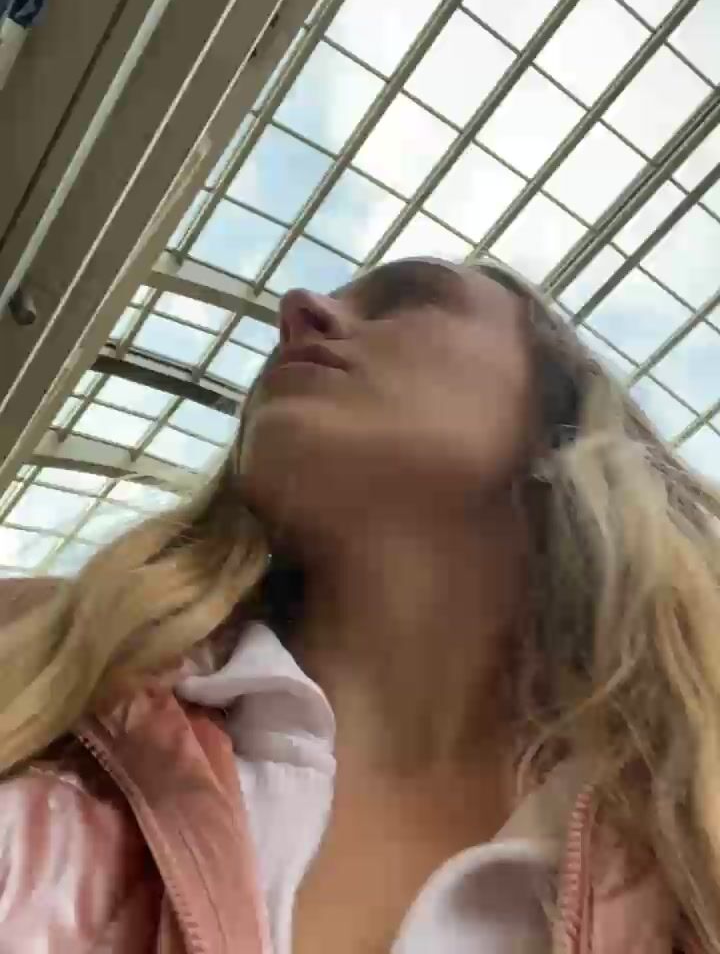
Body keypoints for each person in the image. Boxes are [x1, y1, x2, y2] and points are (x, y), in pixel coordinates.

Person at [0, 257, 719, 954]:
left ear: (554, 423)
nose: (299, 308)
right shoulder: (48, 656)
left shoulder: (693, 829)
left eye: (412, 296)